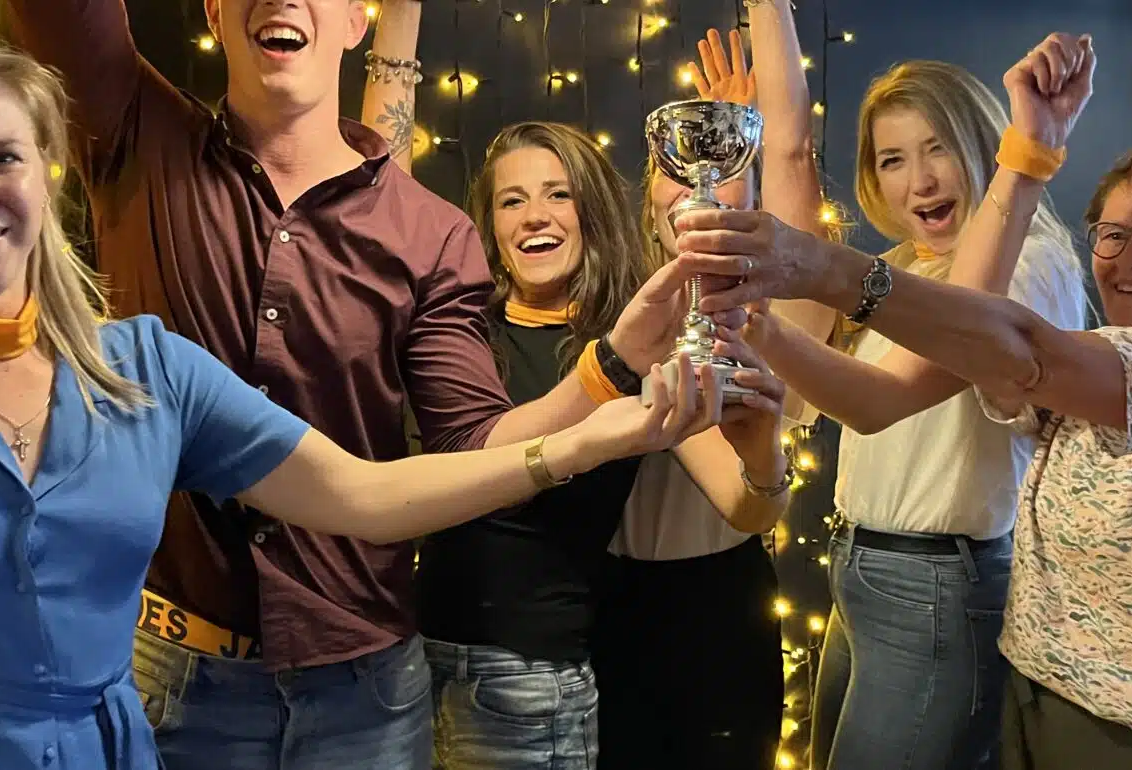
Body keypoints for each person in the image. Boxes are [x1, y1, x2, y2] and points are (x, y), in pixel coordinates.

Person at [0, 24, 712, 770]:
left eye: (1, 156)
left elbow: (367, 497)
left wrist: (588, 434)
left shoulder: (145, 368)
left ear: (48, 170)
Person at [4, 2, 713, 767]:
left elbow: (473, 445)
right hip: (175, 684)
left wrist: (609, 367)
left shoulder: (431, 233)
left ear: (354, 19)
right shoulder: (138, 134)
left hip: (365, 701)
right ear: (214, 9)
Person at [679, 33, 1132, 770]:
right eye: (1112, 236)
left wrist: (819, 263)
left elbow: (991, 355)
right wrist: (755, 308)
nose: (1126, 260)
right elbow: (893, 380)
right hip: (1040, 682)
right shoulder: (1060, 340)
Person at [357, 13, 792, 768]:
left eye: (557, 195)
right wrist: (397, 28)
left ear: (589, 214)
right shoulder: (456, 323)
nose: (535, 215)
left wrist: (764, 457)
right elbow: (378, 206)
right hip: (401, 661)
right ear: (490, 226)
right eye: (511, 200)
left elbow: (744, 503)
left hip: (529, 683)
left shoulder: (637, 343)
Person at [751, 48, 1086, 770]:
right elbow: (821, 392)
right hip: (870, 572)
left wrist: (756, 323)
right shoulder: (907, 265)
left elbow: (879, 400)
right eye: (893, 159)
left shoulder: (1026, 265)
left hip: (936, 585)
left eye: (939, 148)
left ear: (986, 146)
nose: (920, 180)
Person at [585, 9, 825, 769]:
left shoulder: (776, 308)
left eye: (724, 159)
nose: (702, 178)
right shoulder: (615, 310)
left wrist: (768, 24)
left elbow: (792, 151)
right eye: (684, 162)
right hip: (603, 605)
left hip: (722, 604)